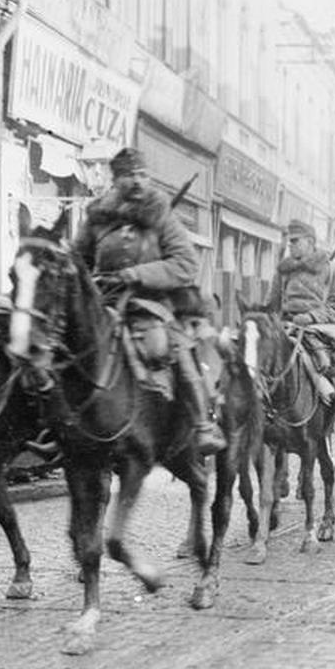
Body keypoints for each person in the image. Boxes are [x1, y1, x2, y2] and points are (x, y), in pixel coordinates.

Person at [72, 147, 224, 456]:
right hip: (104, 303)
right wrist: (87, 283)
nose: (139, 182)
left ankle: (201, 426)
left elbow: (185, 264)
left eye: (143, 174)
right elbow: (78, 261)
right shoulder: (98, 218)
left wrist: (134, 274)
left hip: (151, 304)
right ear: (116, 181)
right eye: (130, 176)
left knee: (171, 346)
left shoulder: (161, 215)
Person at [268, 219, 335, 441]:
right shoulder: (284, 270)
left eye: (295, 241)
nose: (291, 246)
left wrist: (310, 317)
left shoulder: (331, 268)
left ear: (310, 241)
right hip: (286, 325)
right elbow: (272, 304)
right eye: (289, 242)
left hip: (319, 325)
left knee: (334, 362)